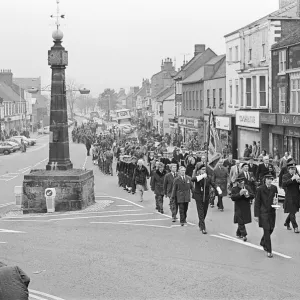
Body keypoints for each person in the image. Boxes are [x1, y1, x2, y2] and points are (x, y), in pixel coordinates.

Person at [254, 174, 278, 258]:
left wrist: (276, 203)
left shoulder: (274, 188)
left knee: (271, 228)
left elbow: (276, 198)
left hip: (272, 211)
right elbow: (257, 202)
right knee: (267, 230)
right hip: (263, 212)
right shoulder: (260, 189)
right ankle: (269, 250)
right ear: (265, 180)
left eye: (271, 179)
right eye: (268, 179)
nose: (270, 180)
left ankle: (263, 241)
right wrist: (256, 215)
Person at [191, 164, 220, 234]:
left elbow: (213, 183)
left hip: (206, 196)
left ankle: (201, 223)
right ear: (199, 170)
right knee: (200, 211)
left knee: (205, 211)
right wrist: (201, 176)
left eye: (204, 169)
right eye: (202, 169)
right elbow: (193, 179)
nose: (204, 170)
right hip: (198, 196)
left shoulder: (208, 177)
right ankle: (203, 228)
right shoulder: (198, 176)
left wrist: (218, 188)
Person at [231, 173, 254, 242]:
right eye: (241, 183)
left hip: (246, 206)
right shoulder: (234, 189)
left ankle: (238, 232)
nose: (242, 185)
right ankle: (244, 235)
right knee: (240, 220)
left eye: (243, 183)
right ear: (238, 183)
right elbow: (233, 197)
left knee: (242, 221)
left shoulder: (247, 187)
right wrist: (240, 194)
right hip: (238, 206)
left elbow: (253, 195)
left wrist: (248, 195)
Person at [282, 160, 300, 233]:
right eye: (292, 169)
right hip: (289, 196)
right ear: (289, 169)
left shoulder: (297, 175)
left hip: (296, 196)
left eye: (294, 169)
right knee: (292, 212)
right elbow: (284, 184)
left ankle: (287, 222)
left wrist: (299, 181)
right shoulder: (285, 176)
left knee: (294, 211)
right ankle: (295, 227)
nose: (293, 170)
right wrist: (292, 179)